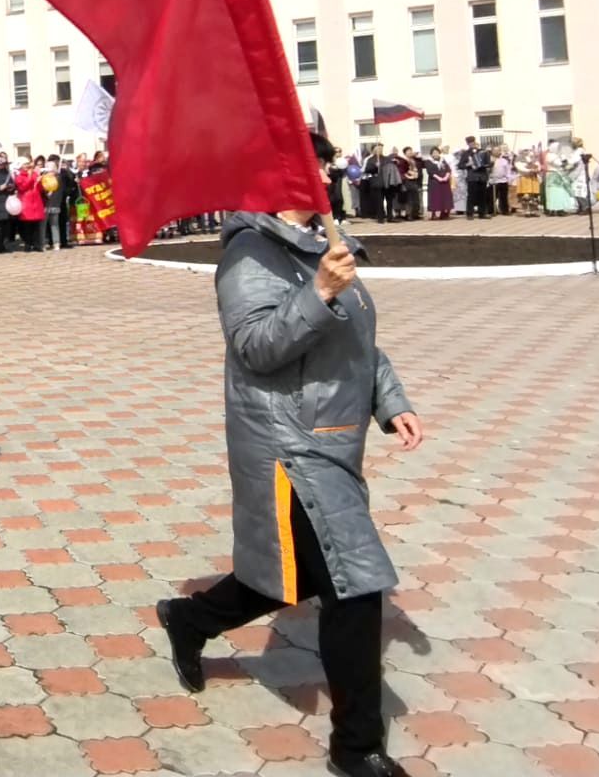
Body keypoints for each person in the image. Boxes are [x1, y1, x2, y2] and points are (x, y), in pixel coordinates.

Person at [156, 133, 423, 777]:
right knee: (355, 584)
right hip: (288, 442)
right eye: (312, 163)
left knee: (293, 575)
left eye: (325, 162)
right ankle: (356, 747)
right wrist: (320, 293)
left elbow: (361, 345)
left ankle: (189, 619)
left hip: (336, 438)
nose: (325, 172)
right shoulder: (250, 252)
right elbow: (255, 345)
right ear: (276, 175)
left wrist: (392, 401)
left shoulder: (326, 242)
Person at [457, 136, 492, 219]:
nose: (472, 144)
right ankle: (470, 214)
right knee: (471, 196)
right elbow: (460, 165)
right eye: (470, 143)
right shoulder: (466, 153)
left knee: (482, 195)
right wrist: (468, 164)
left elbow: (488, 163)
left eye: (473, 142)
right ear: (468, 144)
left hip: (482, 176)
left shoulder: (483, 152)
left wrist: (487, 164)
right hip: (472, 177)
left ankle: (482, 213)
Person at [424, 147, 454, 220]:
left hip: (444, 182)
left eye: (437, 152)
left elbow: (448, 169)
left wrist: (446, 177)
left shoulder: (443, 160)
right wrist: (439, 178)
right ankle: (433, 214)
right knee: (435, 198)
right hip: (434, 182)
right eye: (433, 153)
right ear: (431, 154)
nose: (435, 154)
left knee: (444, 197)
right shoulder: (428, 161)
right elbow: (430, 172)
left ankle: (444, 213)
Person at [489, 147, 514, 216]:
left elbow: (508, 171)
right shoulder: (490, 160)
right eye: (495, 151)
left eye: (498, 151)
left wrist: (509, 179)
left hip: (503, 180)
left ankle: (504, 210)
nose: (497, 152)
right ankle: (491, 210)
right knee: (492, 197)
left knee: (503, 197)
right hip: (493, 181)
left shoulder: (504, 161)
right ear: (492, 151)